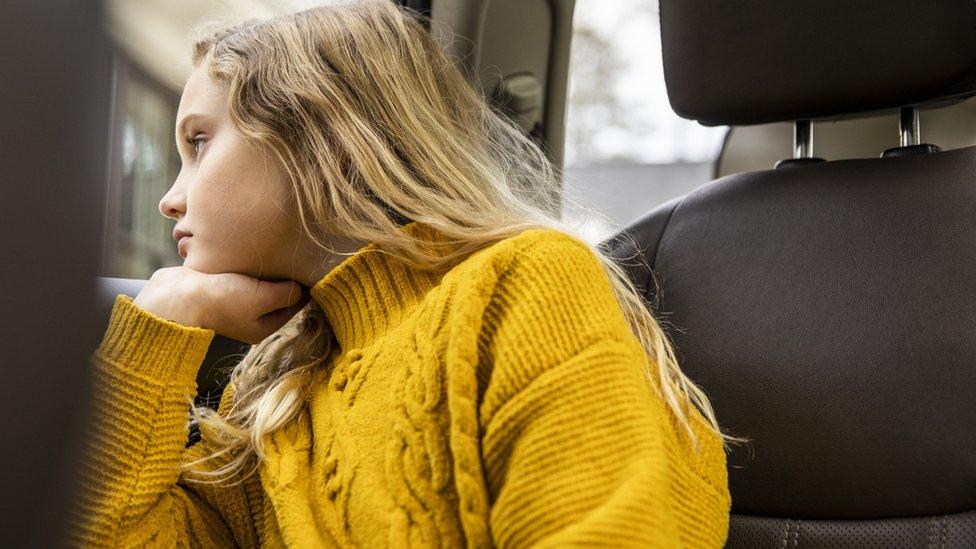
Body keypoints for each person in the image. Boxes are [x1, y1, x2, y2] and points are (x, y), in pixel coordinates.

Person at [67, 1, 744, 546]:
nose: (169, 197)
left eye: (199, 142)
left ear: (324, 140)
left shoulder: (526, 287)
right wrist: (161, 321)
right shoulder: (280, 386)